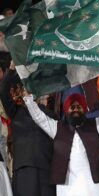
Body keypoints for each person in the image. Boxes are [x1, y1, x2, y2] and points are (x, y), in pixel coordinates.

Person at [23, 85, 99, 196]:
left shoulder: (95, 125)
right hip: (67, 184)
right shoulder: (57, 127)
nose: (76, 109)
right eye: (72, 107)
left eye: (79, 106)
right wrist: (28, 100)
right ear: (67, 110)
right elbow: (39, 118)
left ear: (84, 109)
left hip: (93, 182)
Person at [0, 62, 56, 196]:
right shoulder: (16, 112)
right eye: (26, 88)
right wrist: (12, 70)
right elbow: (3, 91)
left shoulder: (49, 114)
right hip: (24, 169)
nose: (29, 92)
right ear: (21, 92)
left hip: (46, 169)